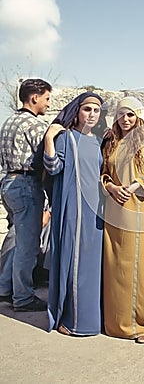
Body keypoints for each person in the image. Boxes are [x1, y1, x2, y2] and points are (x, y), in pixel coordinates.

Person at [101, 96, 144, 344]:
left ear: (138, 115)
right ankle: (118, 324)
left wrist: (134, 185)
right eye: (121, 114)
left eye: (130, 115)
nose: (126, 119)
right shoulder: (110, 140)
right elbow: (104, 173)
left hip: (141, 207)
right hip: (115, 209)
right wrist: (110, 187)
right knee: (117, 268)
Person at [43, 92, 107, 336]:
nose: (91, 114)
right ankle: (72, 320)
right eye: (87, 109)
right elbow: (53, 168)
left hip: (95, 212)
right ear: (77, 111)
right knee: (74, 261)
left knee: (92, 265)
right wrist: (50, 137)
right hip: (73, 209)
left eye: (96, 111)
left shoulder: (97, 140)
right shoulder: (66, 138)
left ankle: (92, 318)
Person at [0, 78, 52, 311]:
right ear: (35, 98)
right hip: (26, 185)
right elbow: (46, 162)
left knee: (17, 238)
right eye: (47, 99)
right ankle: (23, 298)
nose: (48, 104)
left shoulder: (9, 121)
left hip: (9, 183)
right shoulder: (35, 126)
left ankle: (4, 288)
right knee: (28, 246)